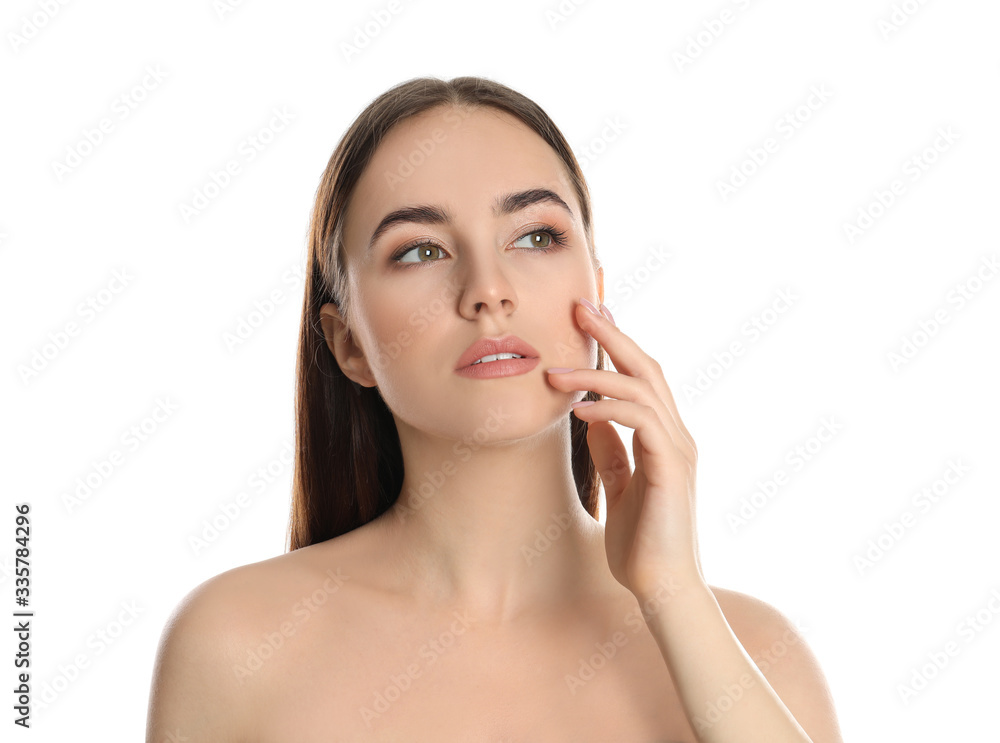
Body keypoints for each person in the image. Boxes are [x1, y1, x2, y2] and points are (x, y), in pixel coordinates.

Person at [146, 76, 844, 742]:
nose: (488, 289)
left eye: (536, 237)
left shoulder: (756, 654)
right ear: (348, 343)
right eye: (420, 250)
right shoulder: (235, 644)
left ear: (596, 293)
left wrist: (675, 595)